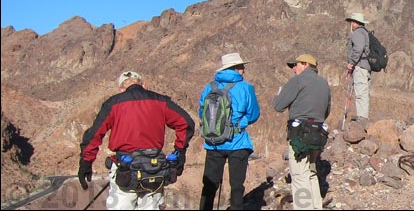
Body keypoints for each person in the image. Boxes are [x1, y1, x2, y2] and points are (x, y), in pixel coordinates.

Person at [78, 71, 195, 210]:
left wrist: (86, 163)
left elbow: (94, 135)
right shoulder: (160, 101)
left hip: (125, 167)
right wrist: (179, 153)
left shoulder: (114, 104)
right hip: (154, 168)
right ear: (143, 85)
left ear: (121, 89)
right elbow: (186, 123)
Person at [198, 53, 261, 210]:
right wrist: (238, 123)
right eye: (242, 67)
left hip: (213, 142)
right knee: (237, 186)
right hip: (238, 141)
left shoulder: (209, 87)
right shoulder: (246, 87)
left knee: (210, 184)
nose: (244, 70)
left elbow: (202, 112)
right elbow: (253, 114)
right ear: (235, 68)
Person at [272, 54, 331, 210]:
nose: (293, 68)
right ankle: (316, 206)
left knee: (299, 175)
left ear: (305, 64)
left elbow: (278, 106)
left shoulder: (298, 81)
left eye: (295, 65)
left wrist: (279, 94)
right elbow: (327, 111)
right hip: (318, 135)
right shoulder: (324, 83)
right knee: (311, 171)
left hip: (300, 135)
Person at [344, 12, 372, 122]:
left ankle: (362, 117)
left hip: (360, 66)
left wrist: (352, 62)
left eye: (352, 21)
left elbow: (358, 48)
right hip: (366, 67)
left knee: (360, 92)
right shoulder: (366, 33)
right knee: (364, 92)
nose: (351, 24)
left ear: (356, 23)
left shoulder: (358, 33)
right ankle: (363, 115)